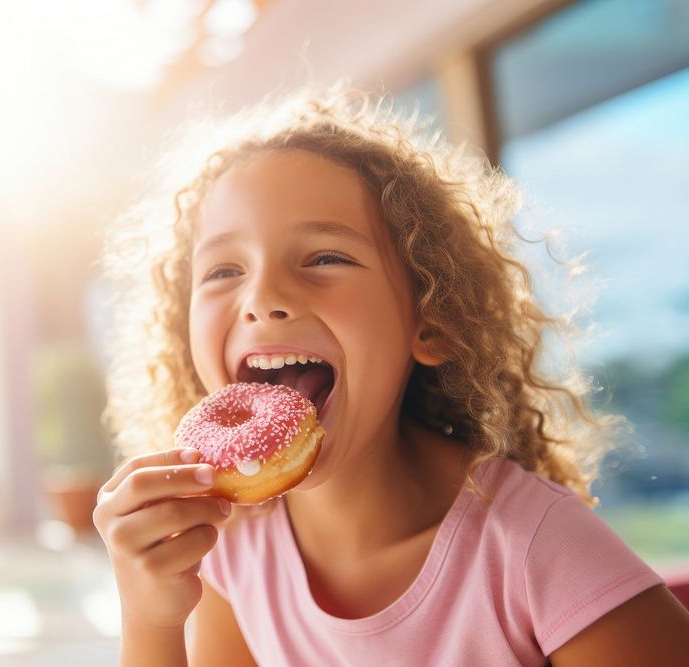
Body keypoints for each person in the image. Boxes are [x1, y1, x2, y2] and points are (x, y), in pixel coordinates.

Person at [93, 83, 689, 666]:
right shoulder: (230, 555)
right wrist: (150, 620)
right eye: (223, 270)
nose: (262, 297)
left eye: (325, 257)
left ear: (431, 321)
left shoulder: (537, 550)